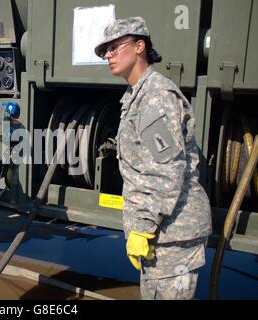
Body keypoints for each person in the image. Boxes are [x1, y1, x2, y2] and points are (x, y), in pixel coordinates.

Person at [94, 17, 212, 300]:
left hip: (175, 234)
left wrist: (143, 227)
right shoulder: (136, 95)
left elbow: (166, 170)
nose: (108, 55)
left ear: (139, 46)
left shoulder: (156, 95)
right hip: (160, 233)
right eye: (104, 51)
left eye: (113, 47)